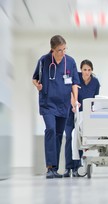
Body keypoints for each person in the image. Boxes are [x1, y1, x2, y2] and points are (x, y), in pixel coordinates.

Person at [32, 35, 80, 179]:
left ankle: (55, 168)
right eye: (59, 50)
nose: (62, 52)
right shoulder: (44, 60)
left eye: (64, 49)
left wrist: (75, 100)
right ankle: (49, 167)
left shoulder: (70, 61)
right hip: (47, 103)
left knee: (59, 135)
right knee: (51, 130)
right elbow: (35, 78)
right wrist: (37, 86)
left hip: (63, 104)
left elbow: (74, 84)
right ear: (52, 49)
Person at [64, 59, 100, 177]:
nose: (87, 72)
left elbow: (95, 99)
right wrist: (74, 103)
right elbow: (70, 92)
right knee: (70, 137)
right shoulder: (76, 78)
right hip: (72, 112)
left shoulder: (95, 82)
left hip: (85, 116)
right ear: (81, 70)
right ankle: (68, 167)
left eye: (89, 70)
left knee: (80, 138)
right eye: (85, 69)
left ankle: (78, 166)